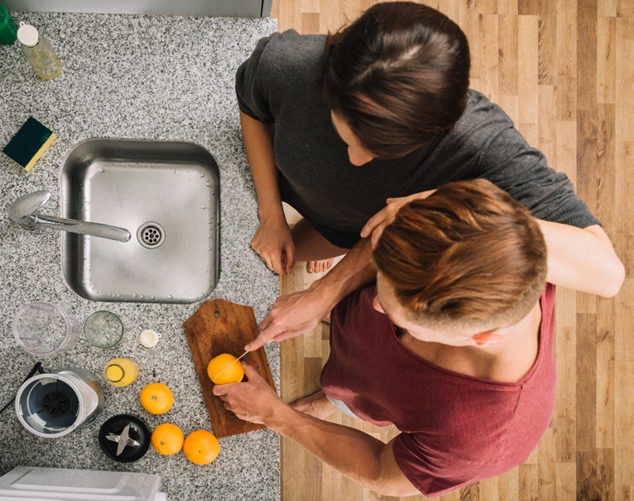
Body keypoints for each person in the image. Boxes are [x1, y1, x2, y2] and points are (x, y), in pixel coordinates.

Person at [237, 2, 622, 293]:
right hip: (309, 206)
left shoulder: (480, 143)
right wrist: (271, 214)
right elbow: (253, 107)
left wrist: (453, 208)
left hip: (352, 234)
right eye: (347, 135)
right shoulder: (287, 65)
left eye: (385, 150)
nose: (355, 160)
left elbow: (606, 273)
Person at [215, 179, 561, 496]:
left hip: (371, 391)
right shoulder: (491, 231)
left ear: (482, 338)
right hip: (353, 347)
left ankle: (333, 400)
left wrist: (279, 416)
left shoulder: (477, 443)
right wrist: (324, 294)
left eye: (403, 319)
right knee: (343, 371)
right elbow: (395, 227)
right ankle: (335, 390)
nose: (374, 305)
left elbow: (380, 471)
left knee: (346, 398)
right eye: (385, 278)